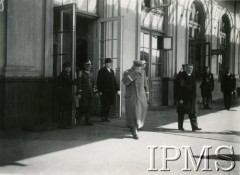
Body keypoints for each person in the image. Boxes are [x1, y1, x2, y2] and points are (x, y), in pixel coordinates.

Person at [122, 60, 148, 139]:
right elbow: (126, 82)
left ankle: (133, 126)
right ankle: (134, 131)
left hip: (141, 97)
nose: (140, 69)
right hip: (131, 96)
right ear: (134, 66)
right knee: (134, 113)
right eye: (138, 67)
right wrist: (134, 73)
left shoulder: (142, 72)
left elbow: (145, 84)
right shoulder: (127, 72)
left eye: (141, 67)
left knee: (140, 114)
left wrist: (147, 95)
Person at [176, 64, 202, 131]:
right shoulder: (182, 76)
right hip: (183, 98)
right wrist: (180, 99)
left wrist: (195, 98)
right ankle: (180, 127)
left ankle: (194, 127)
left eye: (191, 68)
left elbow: (194, 89)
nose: (190, 70)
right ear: (185, 69)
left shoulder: (193, 77)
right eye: (188, 68)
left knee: (192, 113)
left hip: (192, 98)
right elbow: (180, 88)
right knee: (181, 113)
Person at [76, 60, 95, 126]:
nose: (89, 67)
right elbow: (79, 83)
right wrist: (79, 92)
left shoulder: (91, 73)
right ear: (84, 66)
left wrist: (95, 91)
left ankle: (88, 120)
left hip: (90, 92)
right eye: (87, 65)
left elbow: (93, 83)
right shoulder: (81, 73)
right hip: (84, 92)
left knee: (90, 106)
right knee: (85, 106)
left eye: (90, 65)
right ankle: (79, 113)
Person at [57, 61, 73, 129]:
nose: (70, 69)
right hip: (65, 96)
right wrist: (78, 78)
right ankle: (64, 124)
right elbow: (70, 83)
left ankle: (65, 124)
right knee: (65, 109)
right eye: (69, 68)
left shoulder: (64, 74)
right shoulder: (64, 75)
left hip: (65, 95)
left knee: (65, 109)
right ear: (65, 68)